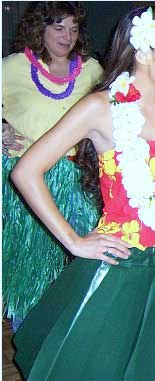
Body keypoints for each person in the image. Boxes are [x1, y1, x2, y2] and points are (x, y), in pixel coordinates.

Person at [10, 6, 155, 381]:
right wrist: (74, 241)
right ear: (145, 52)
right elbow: (25, 172)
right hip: (119, 268)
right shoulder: (101, 108)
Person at [2, 1, 104, 332]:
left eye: (73, 29)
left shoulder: (91, 70)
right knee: (30, 264)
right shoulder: (13, 66)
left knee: (82, 260)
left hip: (79, 178)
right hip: (29, 180)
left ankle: (71, 336)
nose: (67, 36)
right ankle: (29, 336)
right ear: (39, 28)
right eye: (59, 27)